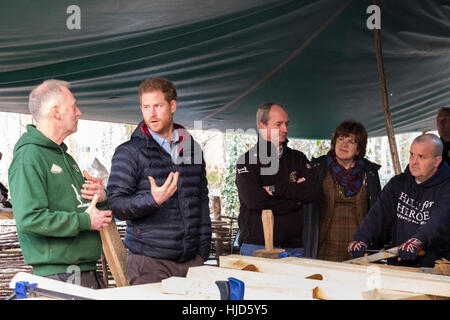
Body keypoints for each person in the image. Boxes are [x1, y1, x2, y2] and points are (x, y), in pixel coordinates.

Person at [8, 80, 112, 288]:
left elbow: (85, 211)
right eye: (74, 106)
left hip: (85, 272)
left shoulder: (66, 158)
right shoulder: (29, 157)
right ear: (56, 111)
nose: (79, 112)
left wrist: (100, 197)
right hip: (59, 276)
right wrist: (85, 221)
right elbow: (30, 219)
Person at [107, 77, 211, 285]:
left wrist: (202, 251)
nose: (151, 113)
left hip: (192, 261)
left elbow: (202, 203)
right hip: (150, 262)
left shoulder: (193, 150)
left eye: (157, 106)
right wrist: (152, 200)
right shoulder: (129, 152)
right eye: (146, 107)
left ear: (172, 106)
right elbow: (116, 205)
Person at [348, 134, 450, 267]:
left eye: (421, 157)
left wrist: (418, 240)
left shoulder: (446, 188)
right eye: (412, 154)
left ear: (437, 161)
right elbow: (378, 214)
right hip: (399, 264)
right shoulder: (398, 183)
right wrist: (361, 238)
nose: (413, 162)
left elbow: (438, 221)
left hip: (433, 268)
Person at [235, 102, 320, 257]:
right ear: (262, 126)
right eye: (278, 124)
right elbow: (256, 201)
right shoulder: (247, 161)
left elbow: (313, 191)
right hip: (256, 245)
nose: (285, 129)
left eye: (286, 124)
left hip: (293, 246)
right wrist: (295, 202)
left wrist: (275, 189)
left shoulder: (298, 158)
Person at [303, 120, 384, 261]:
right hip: (323, 248)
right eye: (340, 139)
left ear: (359, 149)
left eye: (351, 141)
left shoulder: (370, 173)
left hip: (359, 249)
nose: (344, 144)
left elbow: (377, 211)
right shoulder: (318, 168)